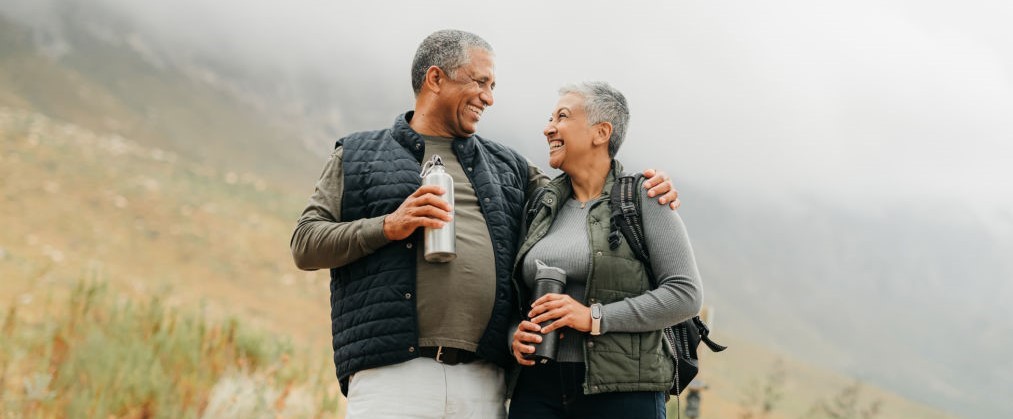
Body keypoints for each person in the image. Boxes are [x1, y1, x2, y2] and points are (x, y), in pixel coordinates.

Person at [290, 30, 679, 419]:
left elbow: (582, 197)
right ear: (436, 78)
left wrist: (643, 187)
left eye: (492, 86)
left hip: (484, 379)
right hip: (391, 377)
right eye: (479, 82)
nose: (489, 97)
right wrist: (388, 226)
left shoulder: (508, 165)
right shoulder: (358, 155)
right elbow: (305, 242)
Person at [508, 82, 703, 419]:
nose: (548, 127)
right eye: (549, 117)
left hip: (623, 391)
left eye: (562, 116)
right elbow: (514, 294)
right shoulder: (540, 204)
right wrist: (515, 334)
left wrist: (594, 318)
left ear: (601, 132)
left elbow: (685, 294)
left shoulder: (643, 198)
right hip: (538, 387)